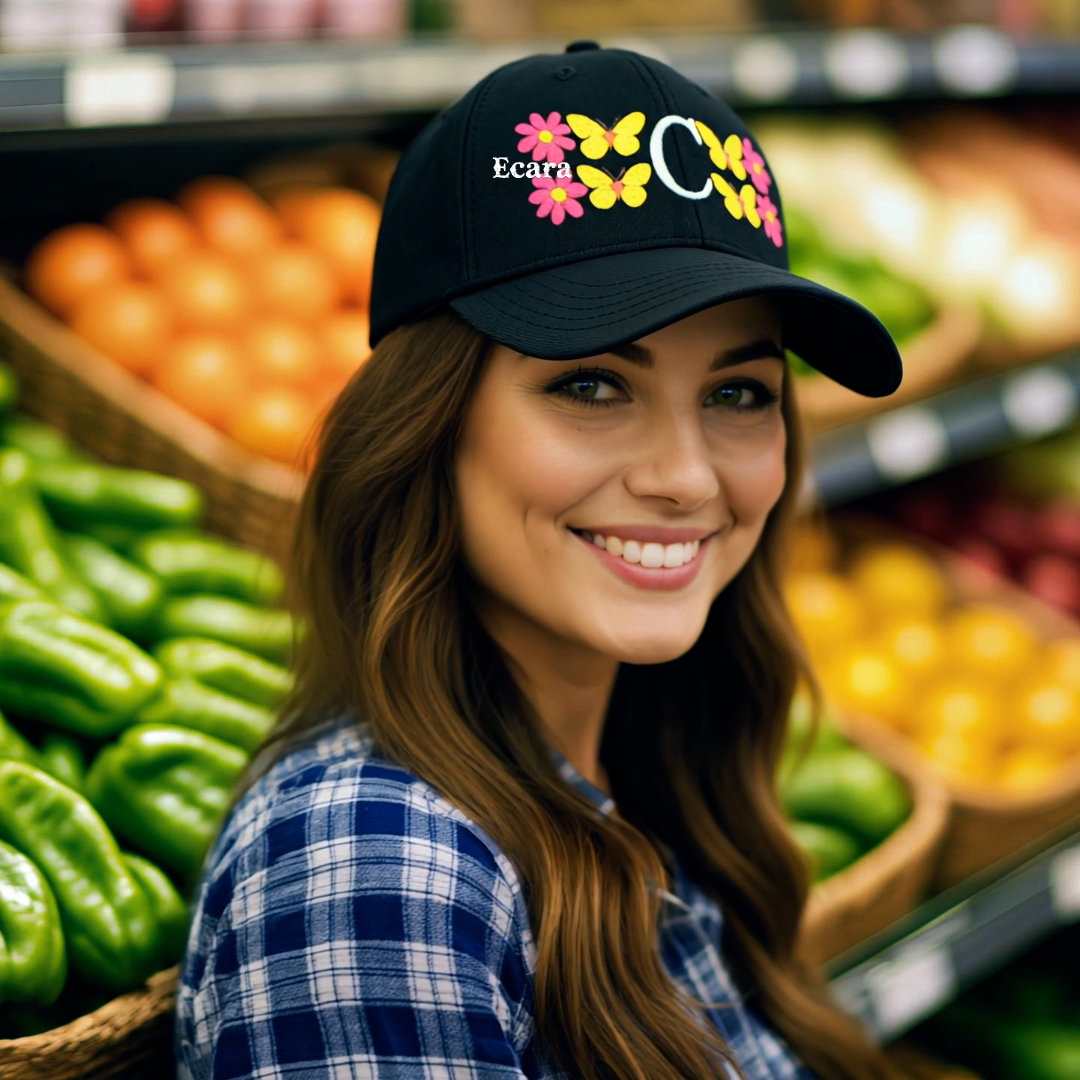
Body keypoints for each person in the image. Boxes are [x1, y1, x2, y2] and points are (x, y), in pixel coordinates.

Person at [175, 42, 906, 1080]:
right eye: (592, 386)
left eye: (738, 393)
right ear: (427, 424)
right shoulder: (380, 864)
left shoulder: (654, 780)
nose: (686, 476)